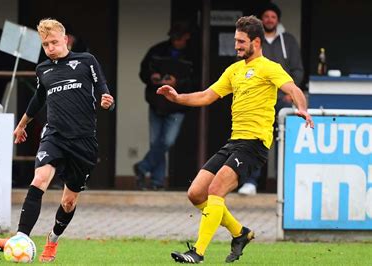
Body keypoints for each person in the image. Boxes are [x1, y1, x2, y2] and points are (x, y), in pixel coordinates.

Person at [157, 16, 313, 263]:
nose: (237, 46)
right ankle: (240, 233)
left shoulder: (269, 67)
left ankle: (197, 252)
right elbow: (207, 96)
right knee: (196, 193)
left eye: (241, 41)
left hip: (254, 144)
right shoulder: (234, 70)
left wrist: (302, 109)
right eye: (235, 41)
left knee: (216, 190)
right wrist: (177, 98)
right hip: (234, 142)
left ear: (257, 42)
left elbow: (293, 89)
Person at [0, 19, 114, 262]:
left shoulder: (87, 61)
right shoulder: (43, 69)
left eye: (54, 42)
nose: (50, 47)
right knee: (39, 179)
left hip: (84, 143)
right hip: (54, 136)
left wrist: (107, 100)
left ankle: (52, 241)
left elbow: (103, 89)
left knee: (68, 201)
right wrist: (22, 125)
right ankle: (20, 237)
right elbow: (38, 99)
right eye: (45, 44)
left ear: (66, 40)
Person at [238, 3, 304, 195]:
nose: (269, 20)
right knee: (256, 140)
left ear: (278, 20)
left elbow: (298, 69)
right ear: (261, 20)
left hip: (282, 101)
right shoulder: (253, 41)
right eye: (266, 16)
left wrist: (289, 93)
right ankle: (251, 182)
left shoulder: (288, 41)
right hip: (258, 101)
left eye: (273, 17)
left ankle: (283, 185)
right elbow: (242, 65)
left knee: (283, 140)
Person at [133, 21, 195, 190]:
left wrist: (178, 82)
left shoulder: (192, 55)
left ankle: (143, 167)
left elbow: (197, 81)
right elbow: (143, 71)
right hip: (157, 102)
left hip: (178, 105)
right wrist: (152, 76)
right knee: (156, 143)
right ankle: (157, 182)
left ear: (187, 37)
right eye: (174, 38)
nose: (177, 41)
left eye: (180, 38)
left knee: (167, 141)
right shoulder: (157, 50)